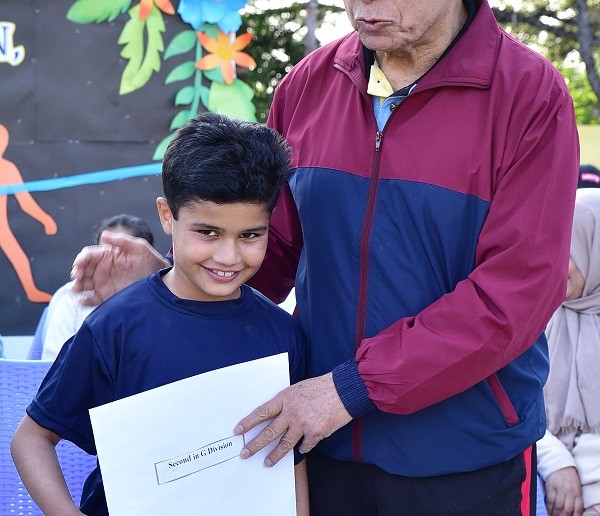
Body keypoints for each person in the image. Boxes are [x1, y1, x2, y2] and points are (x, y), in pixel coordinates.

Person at [69, 0, 580, 513]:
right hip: (315, 446)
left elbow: (517, 294)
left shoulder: (530, 96)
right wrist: (173, 278)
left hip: (462, 456)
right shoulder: (306, 84)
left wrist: (349, 390)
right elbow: (265, 254)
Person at [11, 113, 308, 516]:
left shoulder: (283, 335)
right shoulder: (114, 327)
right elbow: (31, 439)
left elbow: (290, 457)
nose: (228, 256)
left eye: (250, 235)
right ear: (167, 216)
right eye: (208, 232)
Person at [537, 188, 600, 516]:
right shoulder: (534, 318)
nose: (555, 265)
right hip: (544, 482)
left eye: (568, 250)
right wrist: (556, 462)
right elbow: (511, 404)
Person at [41, 214, 155, 360]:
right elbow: (54, 361)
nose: (112, 260)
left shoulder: (160, 297)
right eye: (105, 251)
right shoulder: (71, 295)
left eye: (121, 253)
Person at [0, 123, 57, 302]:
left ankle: (31, 291)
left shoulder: (8, 169)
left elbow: (25, 202)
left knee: (20, 258)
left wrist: (45, 219)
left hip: (1, 228)